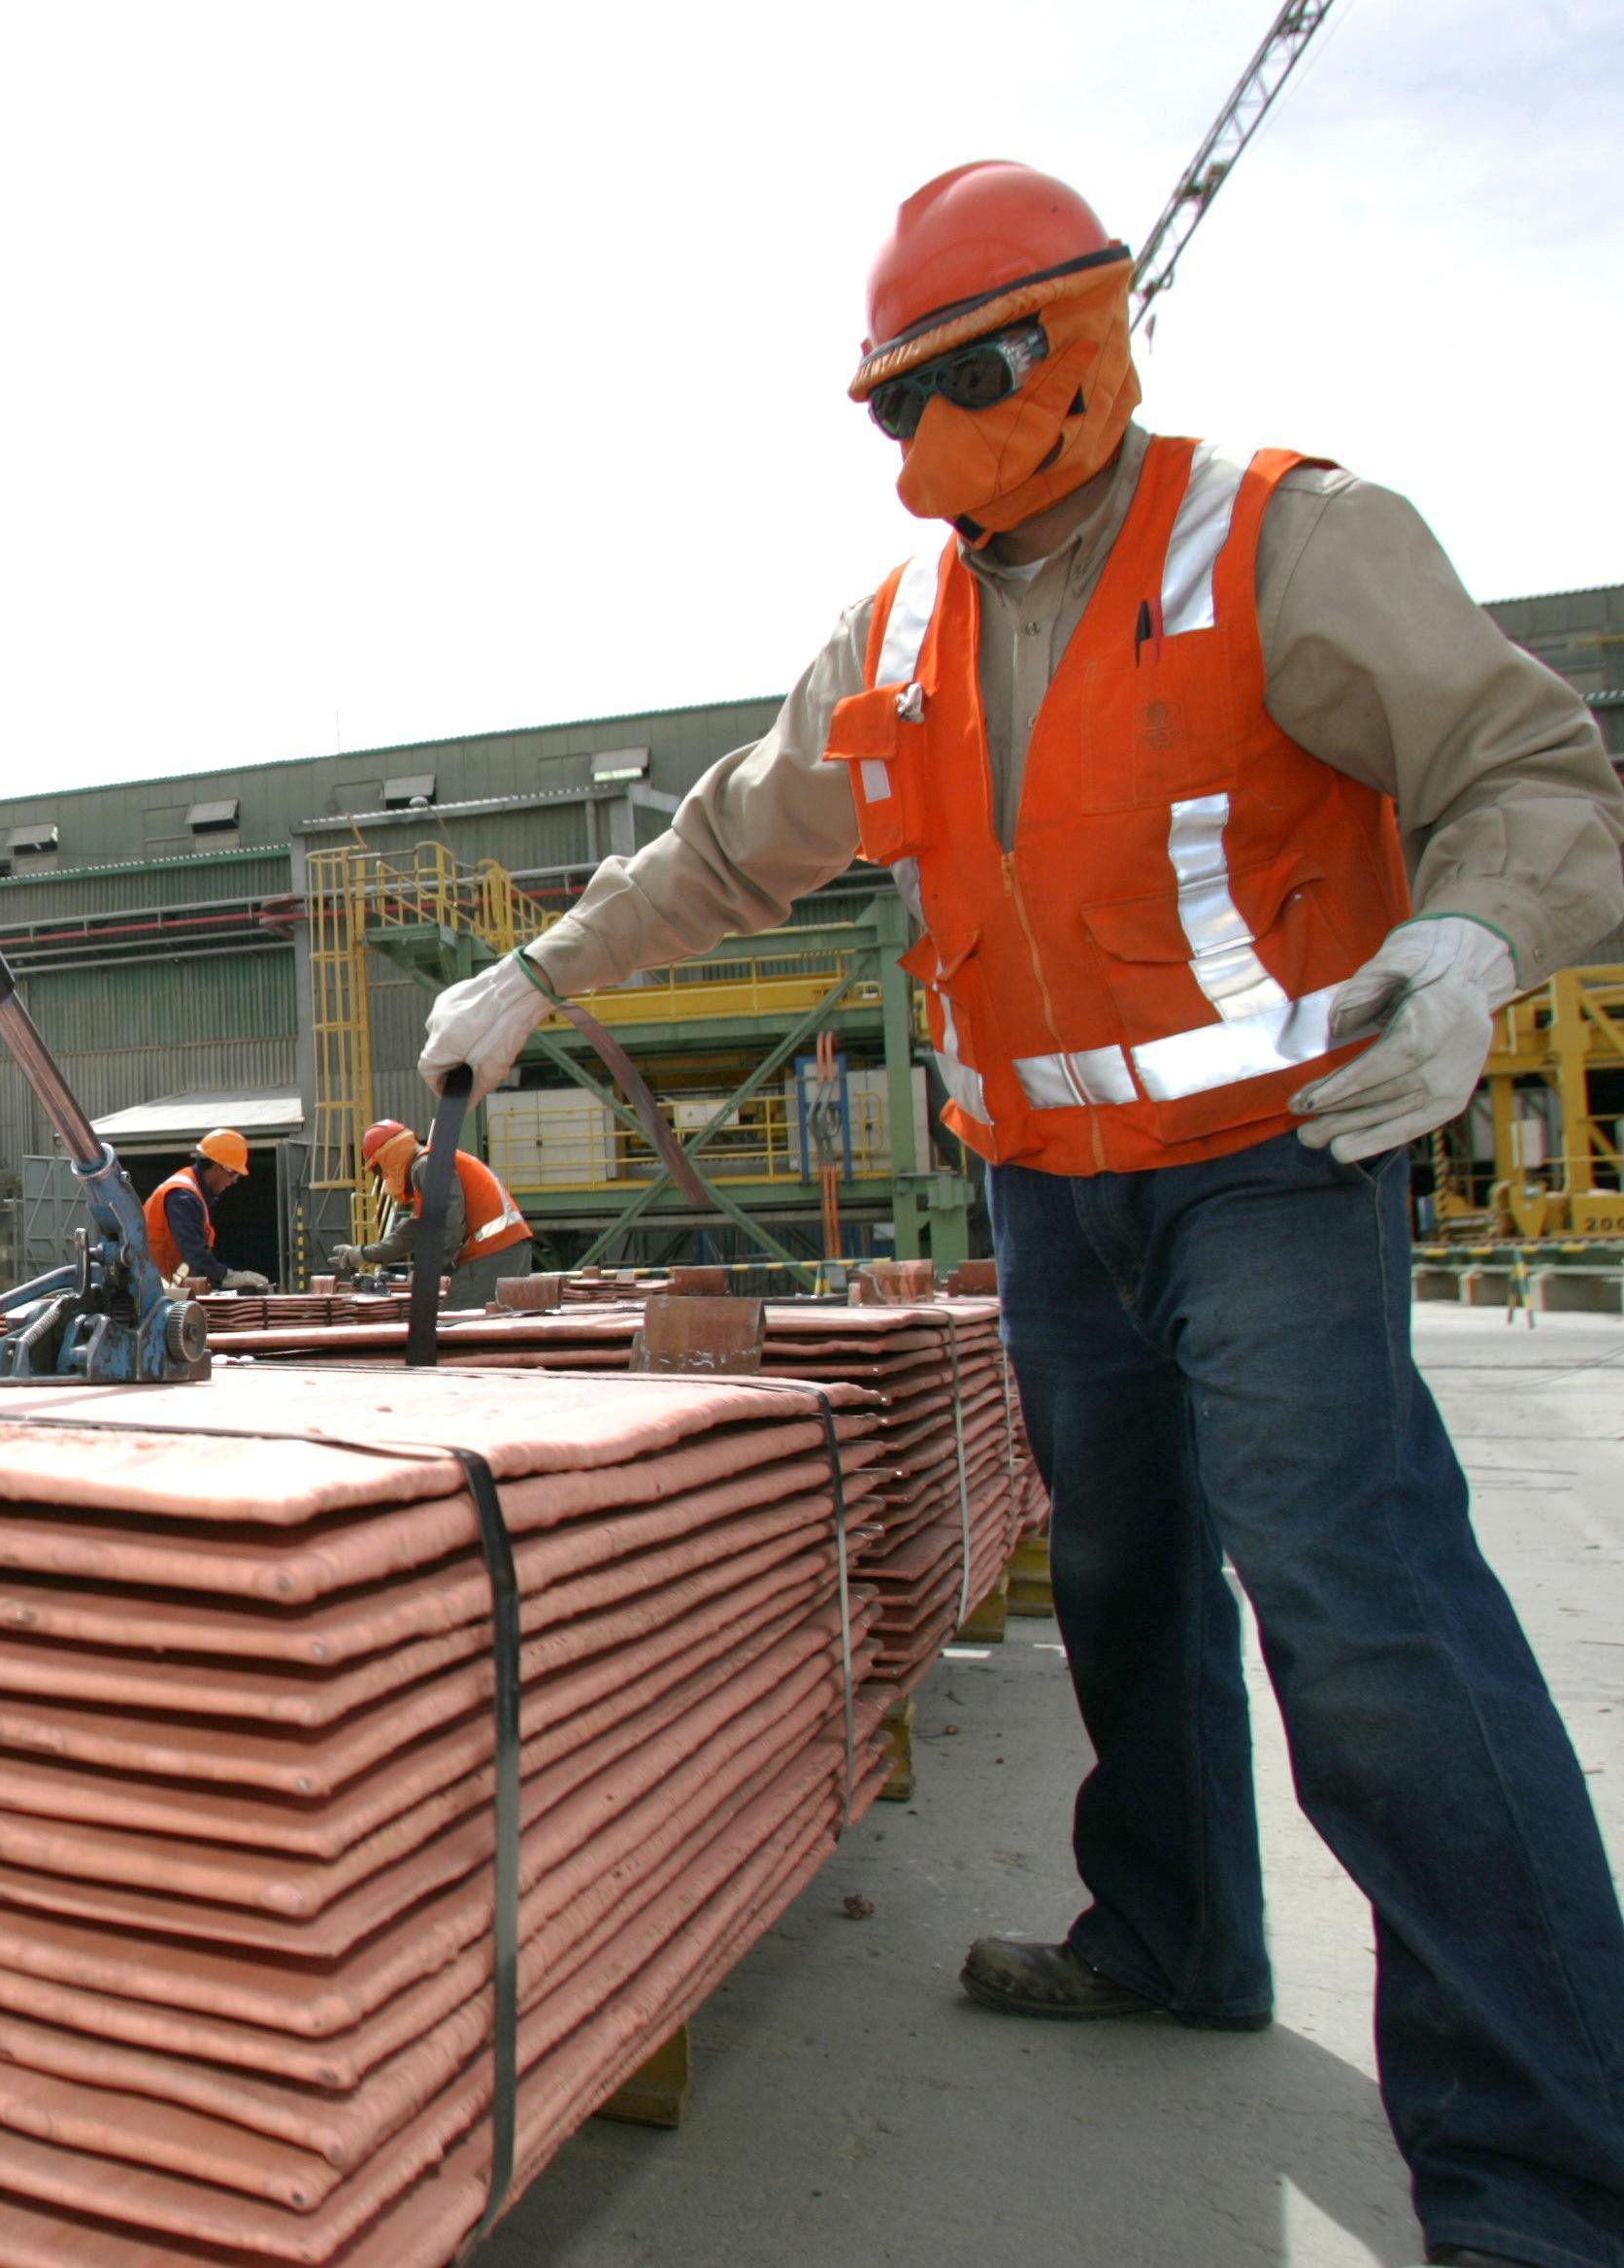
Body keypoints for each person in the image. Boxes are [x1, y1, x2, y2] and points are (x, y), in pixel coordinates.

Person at [420, 160, 1624, 2268]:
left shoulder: (1288, 539)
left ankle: (1544, 2180)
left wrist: (1469, 951)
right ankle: (1170, 1931)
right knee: (1135, 1585)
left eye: (945, 385)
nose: (916, 438)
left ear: (1064, 347)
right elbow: (729, 845)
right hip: (1055, 1201)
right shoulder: (900, 635)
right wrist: (544, 975)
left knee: (1360, 1607)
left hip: (1276, 1164)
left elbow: (1534, 773)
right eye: (887, 404)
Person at [327, 1117, 528, 1301]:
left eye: (380, 1169)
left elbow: (450, 1221)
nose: (383, 1177)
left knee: (453, 1324)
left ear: (390, 1156)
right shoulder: (426, 1169)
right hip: (503, 1250)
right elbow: (410, 1234)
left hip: (497, 1252)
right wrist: (361, 1254)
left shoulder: (426, 1165)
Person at [142, 1128, 271, 1290]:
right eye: (234, 1174)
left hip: (162, 1288)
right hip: (155, 1291)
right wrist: (229, 1277)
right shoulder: (183, 1196)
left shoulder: (192, 1192)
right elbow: (196, 1256)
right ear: (218, 1167)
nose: (234, 1181)